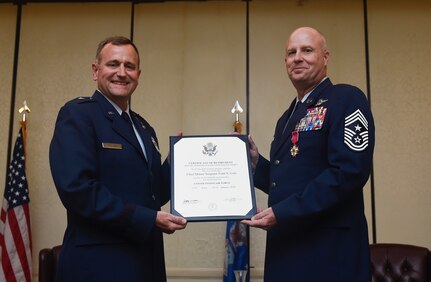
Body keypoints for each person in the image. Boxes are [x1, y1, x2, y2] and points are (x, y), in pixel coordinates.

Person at [49, 36, 187, 282]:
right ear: (95, 70)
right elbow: (77, 190)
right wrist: (149, 219)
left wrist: (176, 165)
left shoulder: (144, 128)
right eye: (113, 64)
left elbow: (150, 194)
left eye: (129, 66)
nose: (121, 73)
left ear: (138, 74)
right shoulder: (79, 115)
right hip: (99, 266)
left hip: (146, 263)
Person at [242, 27, 375, 281]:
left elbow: (348, 172)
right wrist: (257, 165)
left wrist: (282, 212)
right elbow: (291, 180)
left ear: (325, 57)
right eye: (291, 53)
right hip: (287, 250)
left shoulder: (346, 99)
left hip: (328, 252)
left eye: (307, 50)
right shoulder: (287, 117)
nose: (298, 57)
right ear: (285, 62)